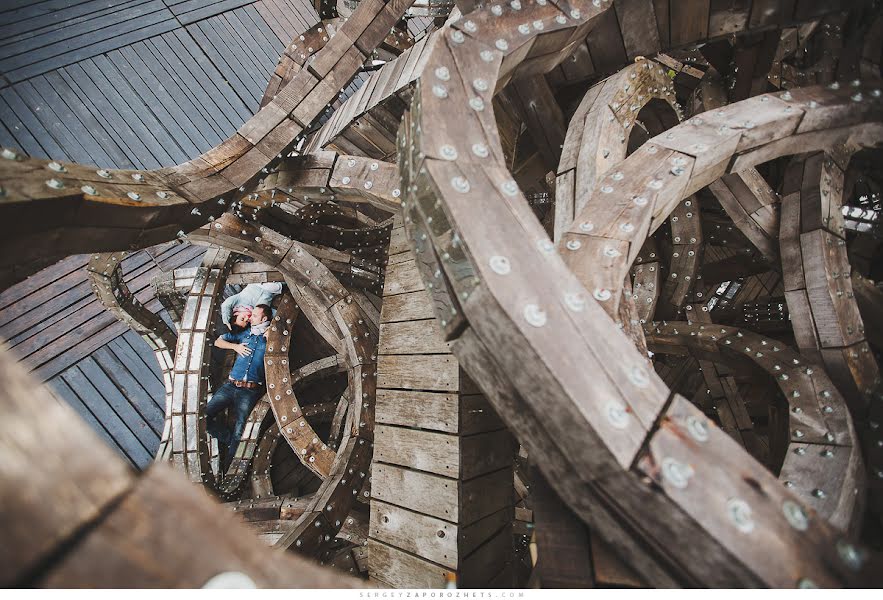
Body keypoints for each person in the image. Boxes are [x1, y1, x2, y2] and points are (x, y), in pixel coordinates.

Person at [205, 303, 273, 469]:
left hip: (249, 391)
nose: (250, 318)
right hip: (230, 386)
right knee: (203, 417)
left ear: (264, 318)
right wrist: (235, 346)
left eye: (255, 316)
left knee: (241, 430)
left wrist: (273, 332)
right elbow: (218, 342)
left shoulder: (270, 336)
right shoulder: (244, 334)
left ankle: (229, 469)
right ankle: (229, 440)